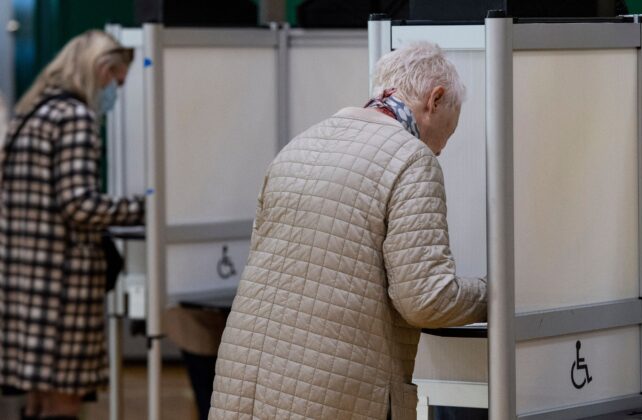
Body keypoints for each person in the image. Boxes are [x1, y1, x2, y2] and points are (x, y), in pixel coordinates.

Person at [209, 42, 487, 420]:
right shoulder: (411, 159)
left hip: (244, 380)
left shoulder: (300, 145)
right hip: (329, 392)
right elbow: (425, 299)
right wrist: (494, 294)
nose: (439, 150)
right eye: (447, 134)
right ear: (435, 99)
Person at [0, 30, 145, 420]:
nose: (116, 89)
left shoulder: (33, 111)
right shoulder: (76, 117)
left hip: (23, 274)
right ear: (100, 69)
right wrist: (143, 206)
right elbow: (79, 206)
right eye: (116, 79)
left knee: (38, 395)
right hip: (64, 280)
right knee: (66, 393)